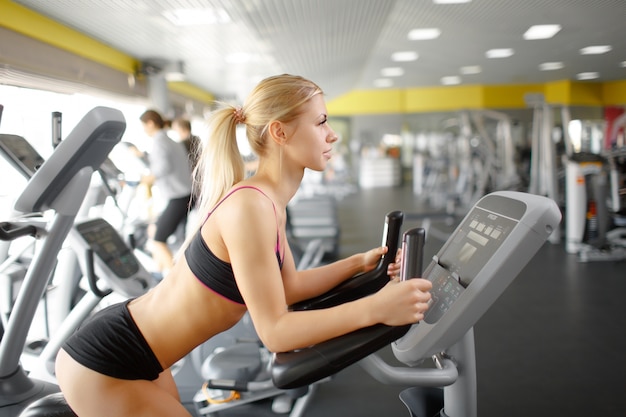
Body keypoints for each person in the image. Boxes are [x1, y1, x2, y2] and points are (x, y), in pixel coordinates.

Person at [55, 74, 433, 417]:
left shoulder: (269, 202)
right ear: (280, 133)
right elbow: (276, 331)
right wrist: (377, 308)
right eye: (320, 122)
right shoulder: (251, 206)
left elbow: (288, 289)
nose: (332, 134)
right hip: (108, 360)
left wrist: (359, 264)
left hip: (145, 356)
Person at [139, 109, 194, 274]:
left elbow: (163, 167)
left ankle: (174, 281)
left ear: (150, 123)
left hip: (178, 197)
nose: (143, 130)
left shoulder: (159, 141)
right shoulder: (170, 140)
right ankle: (160, 272)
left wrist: (147, 178)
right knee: (160, 233)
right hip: (184, 195)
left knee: (157, 239)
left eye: (143, 126)